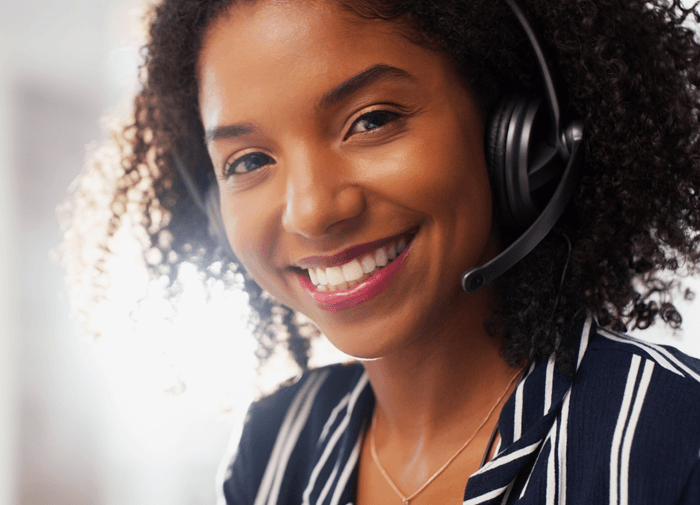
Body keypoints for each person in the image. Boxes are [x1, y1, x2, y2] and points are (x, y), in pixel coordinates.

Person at [62, 0, 700, 503]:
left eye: (371, 120)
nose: (312, 210)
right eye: (250, 160)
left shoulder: (672, 437)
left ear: (515, 133)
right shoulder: (277, 450)